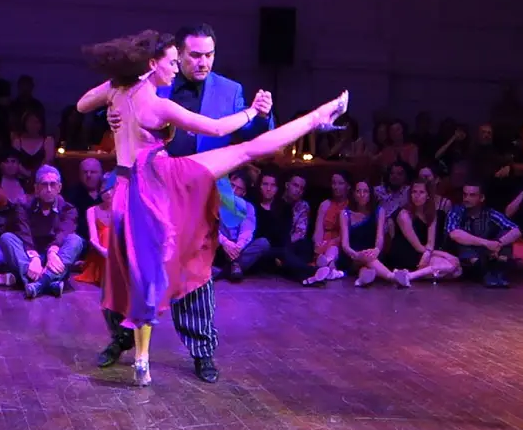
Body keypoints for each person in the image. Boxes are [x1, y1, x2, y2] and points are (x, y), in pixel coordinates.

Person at [76, 29, 347, 386]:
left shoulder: (122, 88)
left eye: (207, 55)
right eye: (177, 60)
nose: (184, 66)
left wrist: (116, 108)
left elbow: (82, 104)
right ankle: (317, 118)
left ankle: (181, 353)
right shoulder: (158, 100)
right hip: (164, 180)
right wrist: (251, 111)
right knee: (134, 271)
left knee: (177, 269)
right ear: (156, 62)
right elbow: (219, 129)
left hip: (141, 187)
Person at [158, 24, 274, 157]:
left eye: (208, 55)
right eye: (195, 55)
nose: (203, 63)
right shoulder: (159, 84)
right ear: (179, 54)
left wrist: (261, 115)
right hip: (163, 174)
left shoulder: (229, 90)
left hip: (211, 175)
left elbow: (249, 136)